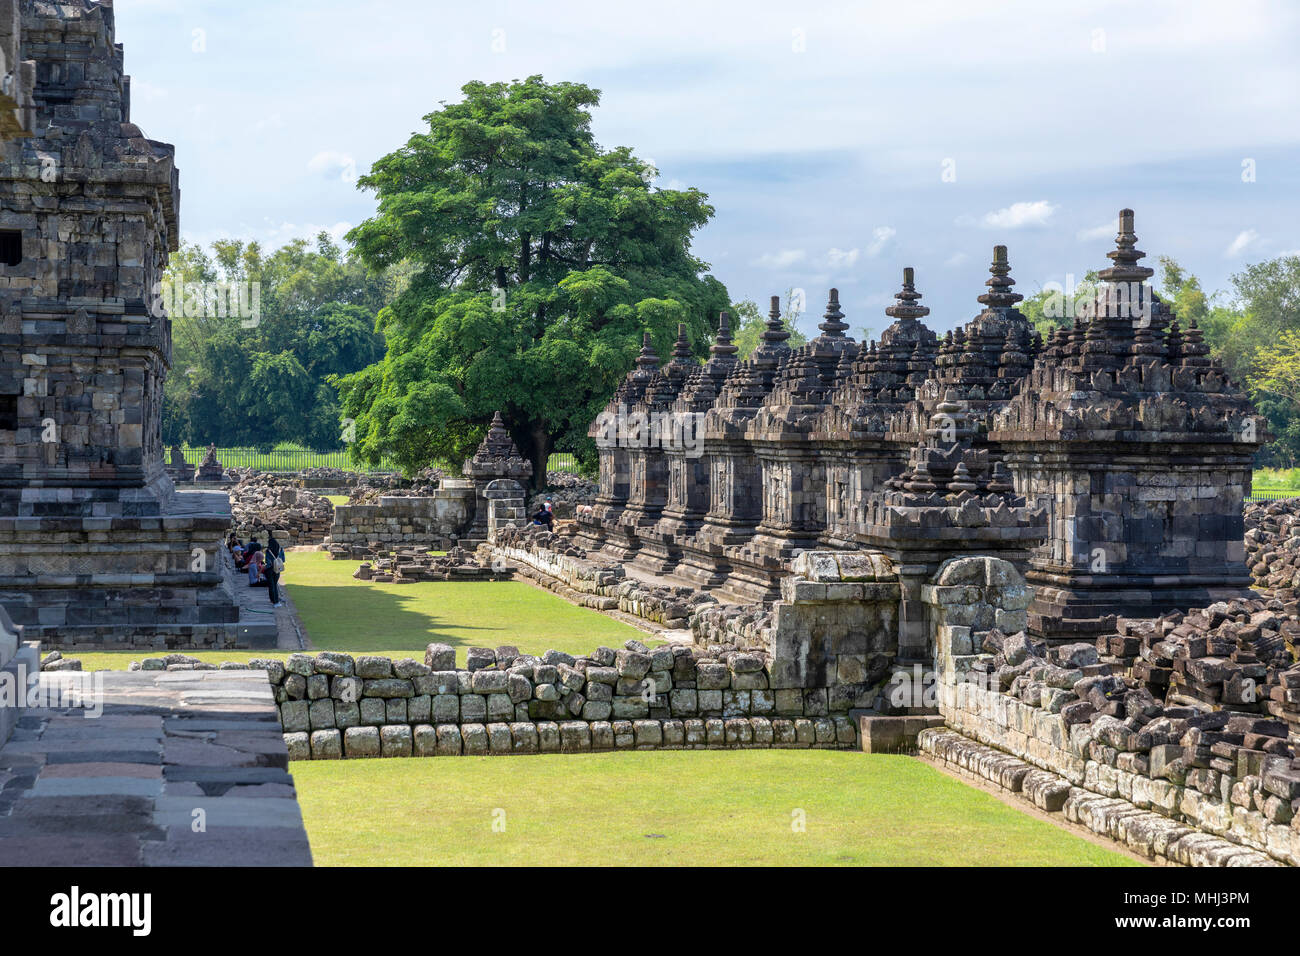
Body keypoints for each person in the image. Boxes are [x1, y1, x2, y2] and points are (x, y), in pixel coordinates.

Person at [264, 533, 287, 607]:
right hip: (277, 569)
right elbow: (283, 560)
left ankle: (273, 600)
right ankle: (276, 601)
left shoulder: (268, 550)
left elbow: (267, 562)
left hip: (270, 569)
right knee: (275, 585)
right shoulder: (280, 549)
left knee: (271, 586)